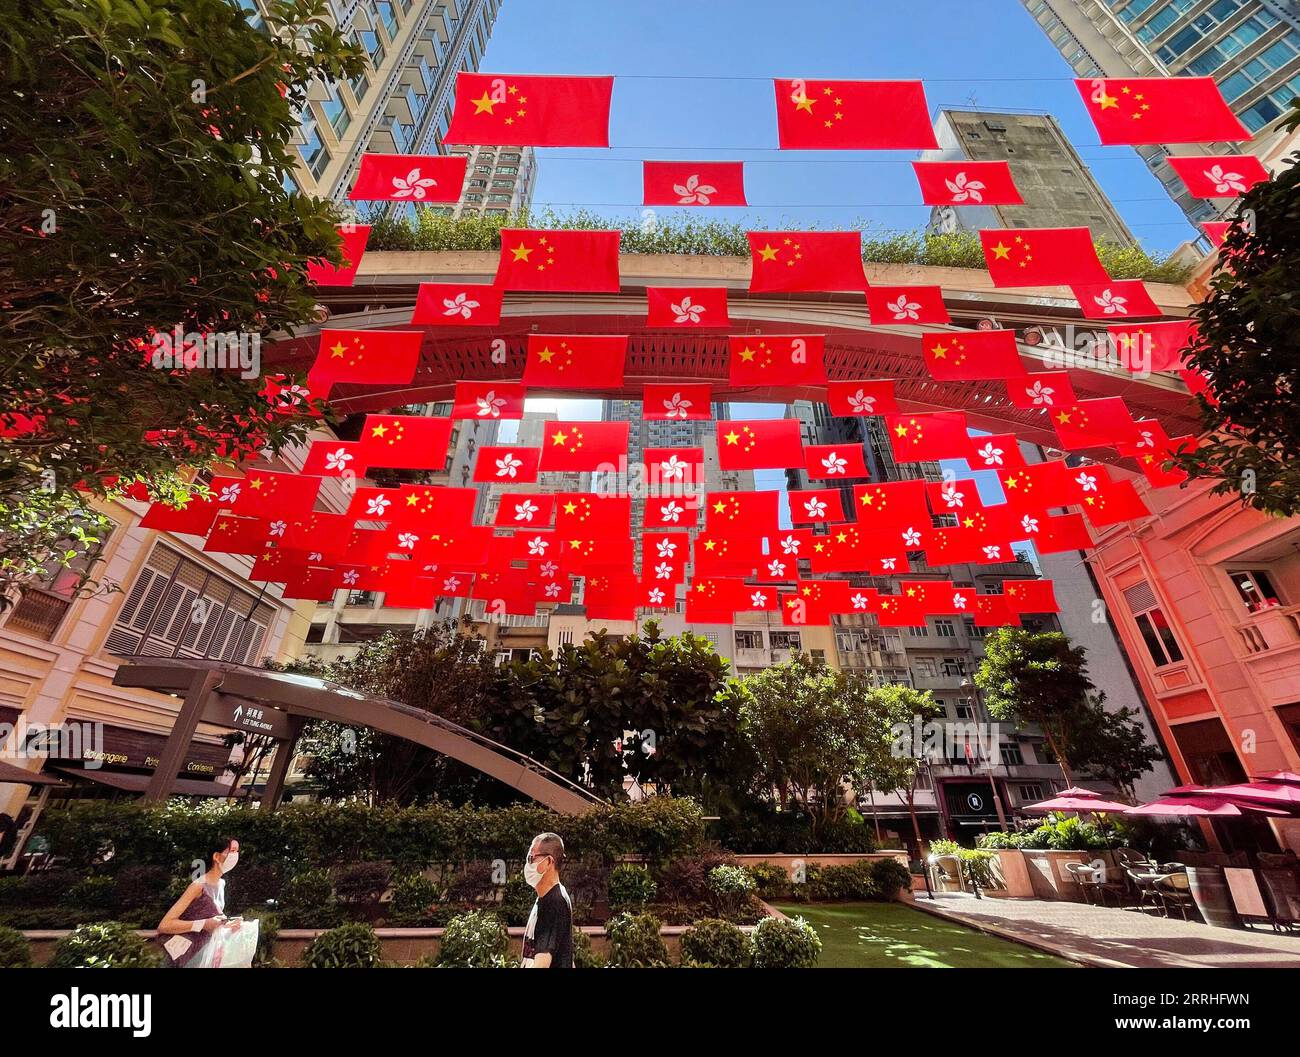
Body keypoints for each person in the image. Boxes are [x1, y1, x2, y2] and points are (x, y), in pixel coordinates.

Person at [158, 836, 241, 967]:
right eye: (232, 851)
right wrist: (202, 924)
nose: (235, 856)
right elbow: (164, 925)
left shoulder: (221, 883)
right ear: (217, 856)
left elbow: (212, 919)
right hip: (185, 959)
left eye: (237, 851)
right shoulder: (198, 886)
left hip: (206, 957)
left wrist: (227, 925)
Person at [520, 832, 573, 968]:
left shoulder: (554, 902)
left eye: (532, 858)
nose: (528, 864)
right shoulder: (546, 898)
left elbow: (541, 964)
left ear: (548, 862)